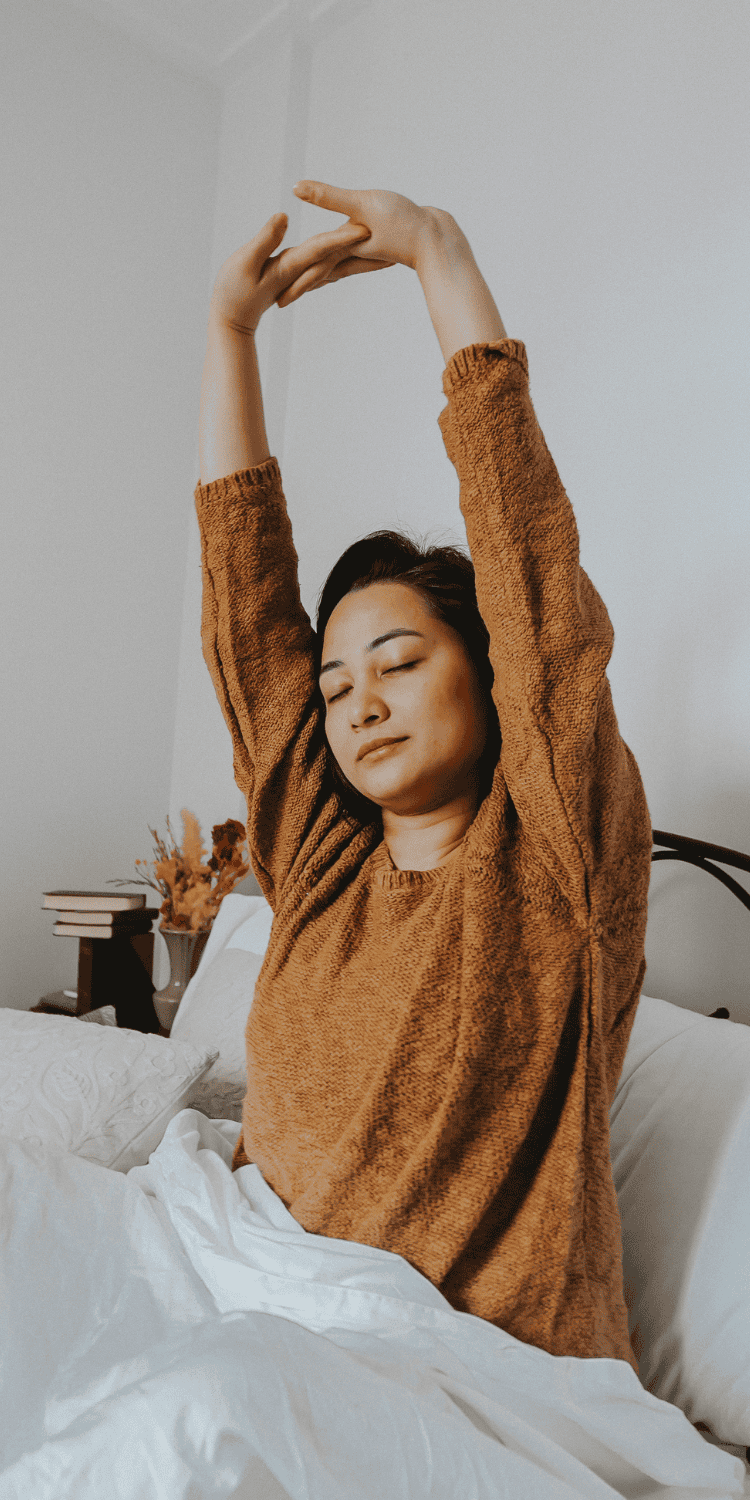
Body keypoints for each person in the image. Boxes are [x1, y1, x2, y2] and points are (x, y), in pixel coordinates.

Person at [195, 182, 652, 1370]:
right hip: (240, 1292)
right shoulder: (319, 858)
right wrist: (229, 337)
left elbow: (535, 589)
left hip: (449, 1370)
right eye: (338, 687)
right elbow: (248, 618)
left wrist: (440, 258)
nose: (361, 704)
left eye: (397, 662)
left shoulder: (553, 866)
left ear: (488, 674)